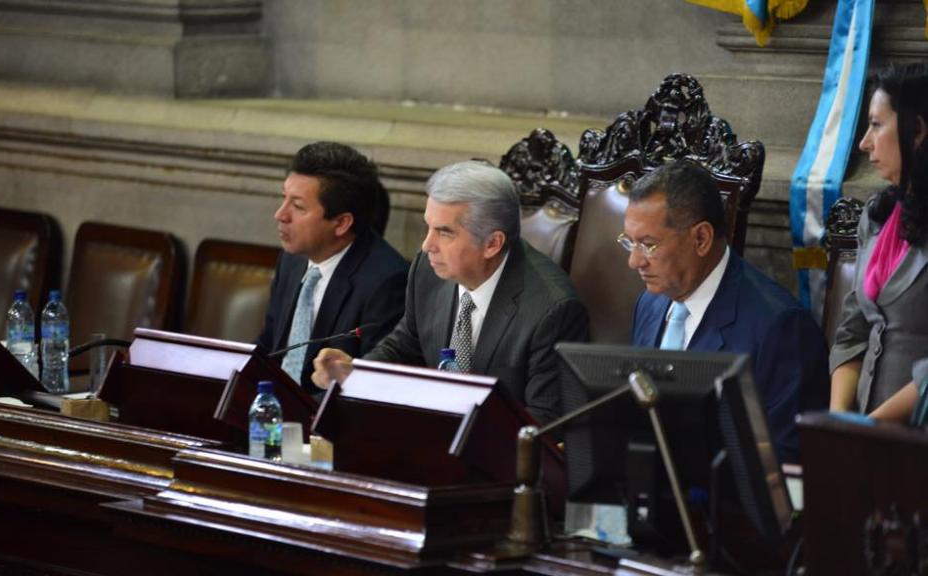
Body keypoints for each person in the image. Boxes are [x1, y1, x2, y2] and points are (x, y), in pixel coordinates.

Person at [312, 160, 589, 424]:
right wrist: (355, 375)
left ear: (492, 243)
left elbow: (543, 419)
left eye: (444, 233)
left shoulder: (552, 310)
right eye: (428, 227)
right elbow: (406, 344)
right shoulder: (428, 270)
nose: (426, 246)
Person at [626, 159, 829, 463]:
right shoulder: (650, 304)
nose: (635, 261)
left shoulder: (781, 329)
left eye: (648, 244)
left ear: (701, 238)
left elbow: (786, 465)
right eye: (629, 243)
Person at [257, 141, 409, 395]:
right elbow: (269, 346)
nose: (280, 215)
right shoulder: (292, 260)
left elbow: (372, 390)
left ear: (341, 223)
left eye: (298, 206)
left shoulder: (387, 282)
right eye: (284, 199)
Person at [830, 63, 928, 422]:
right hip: (868, 438)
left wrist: (871, 428)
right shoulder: (877, 215)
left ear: (916, 129)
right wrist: (840, 420)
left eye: (875, 125)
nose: (863, 143)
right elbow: (852, 331)